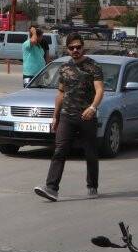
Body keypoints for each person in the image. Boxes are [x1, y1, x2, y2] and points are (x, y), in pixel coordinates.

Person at [34, 34, 104, 201]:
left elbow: (100, 90)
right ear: (67, 49)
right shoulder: (64, 68)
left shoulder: (93, 66)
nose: (75, 50)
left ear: (83, 47)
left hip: (86, 116)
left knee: (90, 153)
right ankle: (51, 188)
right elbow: (60, 92)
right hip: (67, 116)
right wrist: (55, 116)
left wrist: (93, 108)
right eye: (72, 48)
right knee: (60, 150)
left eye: (78, 47)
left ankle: (92, 185)